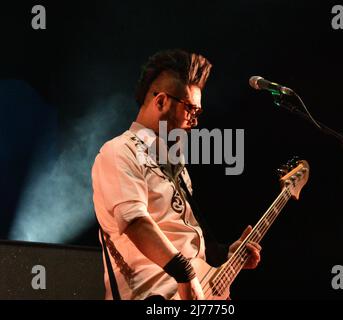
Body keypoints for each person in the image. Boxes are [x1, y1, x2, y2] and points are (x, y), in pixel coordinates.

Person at [91, 49, 261, 300]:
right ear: (160, 101)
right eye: (190, 109)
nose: (195, 121)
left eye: (198, 112)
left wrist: (226, 254)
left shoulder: (175, 163)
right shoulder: (118, 151)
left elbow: (182, 235)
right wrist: (186, 274)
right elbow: (137, 223)